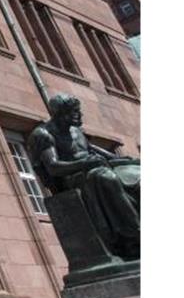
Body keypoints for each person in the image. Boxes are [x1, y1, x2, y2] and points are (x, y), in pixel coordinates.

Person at [28, 94, 140, 259]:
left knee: (136, 174)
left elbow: (91, 149)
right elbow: (53, 167)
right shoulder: (43, 134)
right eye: (73, 112)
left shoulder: (75, 130)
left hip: (91, 168)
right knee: (106, 178)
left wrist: (119, 159)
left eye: (78, 111)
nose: (79, 115)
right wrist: (86, 164)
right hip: (71, 178)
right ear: (60, 113)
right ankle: (132, 233)